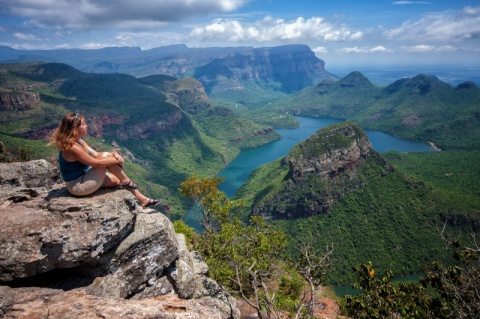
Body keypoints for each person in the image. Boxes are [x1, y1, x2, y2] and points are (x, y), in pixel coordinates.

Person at [48, 112, 161, 208]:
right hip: (77, 186)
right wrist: (116, 160)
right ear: (75, 129)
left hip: (86, 176)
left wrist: (113, 155)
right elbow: (97, 163)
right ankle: (127, 182)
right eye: (83, 124)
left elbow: (96, 154)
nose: (87, 126)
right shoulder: (72, 147)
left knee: (118, 179)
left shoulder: (79, 141)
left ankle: (142, 199)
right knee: (106, 158)